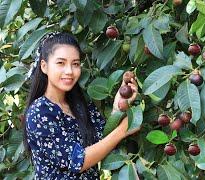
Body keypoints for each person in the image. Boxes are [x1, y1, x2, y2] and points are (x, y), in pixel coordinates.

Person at [22, 32, 140, 179]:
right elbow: (78, 160)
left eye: (75, 64)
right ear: (44, 66)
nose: (69, 71)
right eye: (61, 63)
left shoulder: (82, 106)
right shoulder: (40, 112)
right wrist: (123, 130)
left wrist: (119, 105)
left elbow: (103, 141)